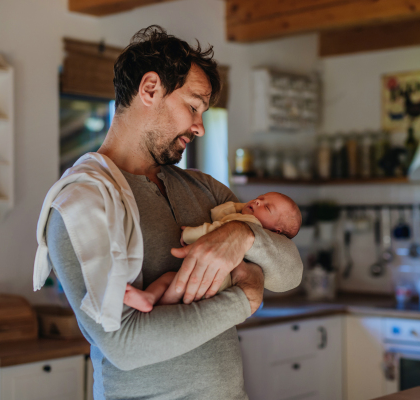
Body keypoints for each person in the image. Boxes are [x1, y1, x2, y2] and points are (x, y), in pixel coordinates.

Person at [39, 25, 302, 399]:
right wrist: (245, 298)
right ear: (150, 89)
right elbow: (125, 346)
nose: (200, 127)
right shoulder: (81, 204)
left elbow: (290, 273)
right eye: (193, 107)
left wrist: (241, 235)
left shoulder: (203, 188)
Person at [123, 192, 302, 312]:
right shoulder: (244, 215)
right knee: (172, 281)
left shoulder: (247, 221)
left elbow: (215, 231)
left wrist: (188, 234)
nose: (258, 202)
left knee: (172, 280)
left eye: (267, 208)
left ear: (277, 232)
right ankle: (150, 300)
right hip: (218, 287)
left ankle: (150, 298)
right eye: (260, 197)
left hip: (216, 280)